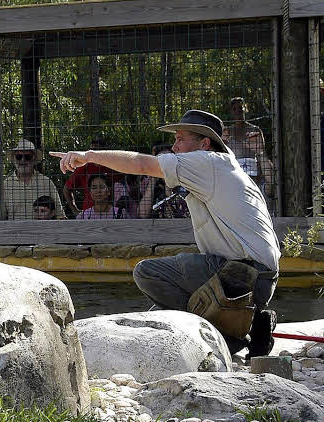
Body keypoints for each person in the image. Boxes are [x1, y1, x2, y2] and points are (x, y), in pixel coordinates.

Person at [50, 110, 280, 358]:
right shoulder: (222, 168)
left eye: (180, 139)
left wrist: (88, 157)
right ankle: (252, 326)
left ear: (204, 143)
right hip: (259, 279)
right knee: (158, 311)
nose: (174, 146)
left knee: (148, 273)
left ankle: (229, 337)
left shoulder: (207, 161)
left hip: (243, 275)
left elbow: (141, 164)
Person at [62, 134, 126, 217]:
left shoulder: (113, 166)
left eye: (97, 150)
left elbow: (125, 185)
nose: (93, 153)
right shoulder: (84, 167)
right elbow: (66, 189)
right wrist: (74, 210)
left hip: (111, 213)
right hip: (89, 213)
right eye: (92, 150)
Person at [221, 97, 273, 199]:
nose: (238, 111)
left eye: (240, 107)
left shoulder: (255, 130)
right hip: (235, 179)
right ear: (231, 112)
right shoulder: (227, 132)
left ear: (245, 109)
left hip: (255, 177)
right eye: (234, 109)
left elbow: (261, 154)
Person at [3, 139, 65, 220]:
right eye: (19, 157)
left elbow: (59, 215)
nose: (23, 160)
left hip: (43, 231)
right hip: (15, 231)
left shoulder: (46, 182)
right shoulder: (6, 185)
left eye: (27, 157)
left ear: (34, 159)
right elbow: (0, 217)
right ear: (14, 159)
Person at [136, 144, 190, 219]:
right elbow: (142, 215)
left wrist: (168, 180)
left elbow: (179, 212)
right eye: (160, 162)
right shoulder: (150, 185)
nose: (164, 166)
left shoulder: (182, 183)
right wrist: (152, 180)